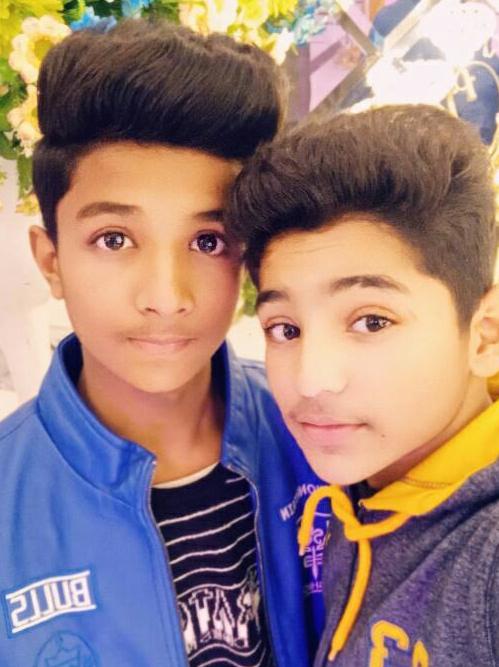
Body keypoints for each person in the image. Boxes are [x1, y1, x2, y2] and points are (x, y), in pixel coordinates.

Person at [0, 19, 326, 667]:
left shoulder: (322, 432)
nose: (166, 295)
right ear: (51, 260)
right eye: (114, 239)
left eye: (207, 241)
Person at [228, 104, 499, 666]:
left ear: (485, 335)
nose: (312, 380)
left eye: (372, 321)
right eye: (285, 329)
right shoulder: (359, 495)